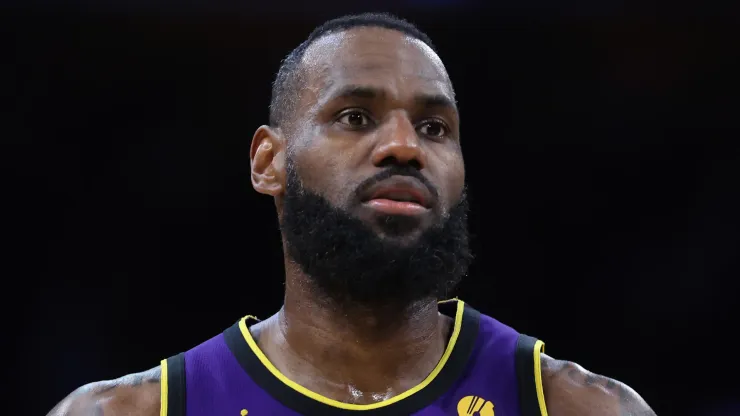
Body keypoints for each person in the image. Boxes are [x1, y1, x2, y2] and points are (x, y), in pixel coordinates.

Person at [47, 12, 656, 416]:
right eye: (356, 117)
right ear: (268, 162)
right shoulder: (127, 412)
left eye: (434, 127)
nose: (405, 146)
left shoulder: (579, 406)